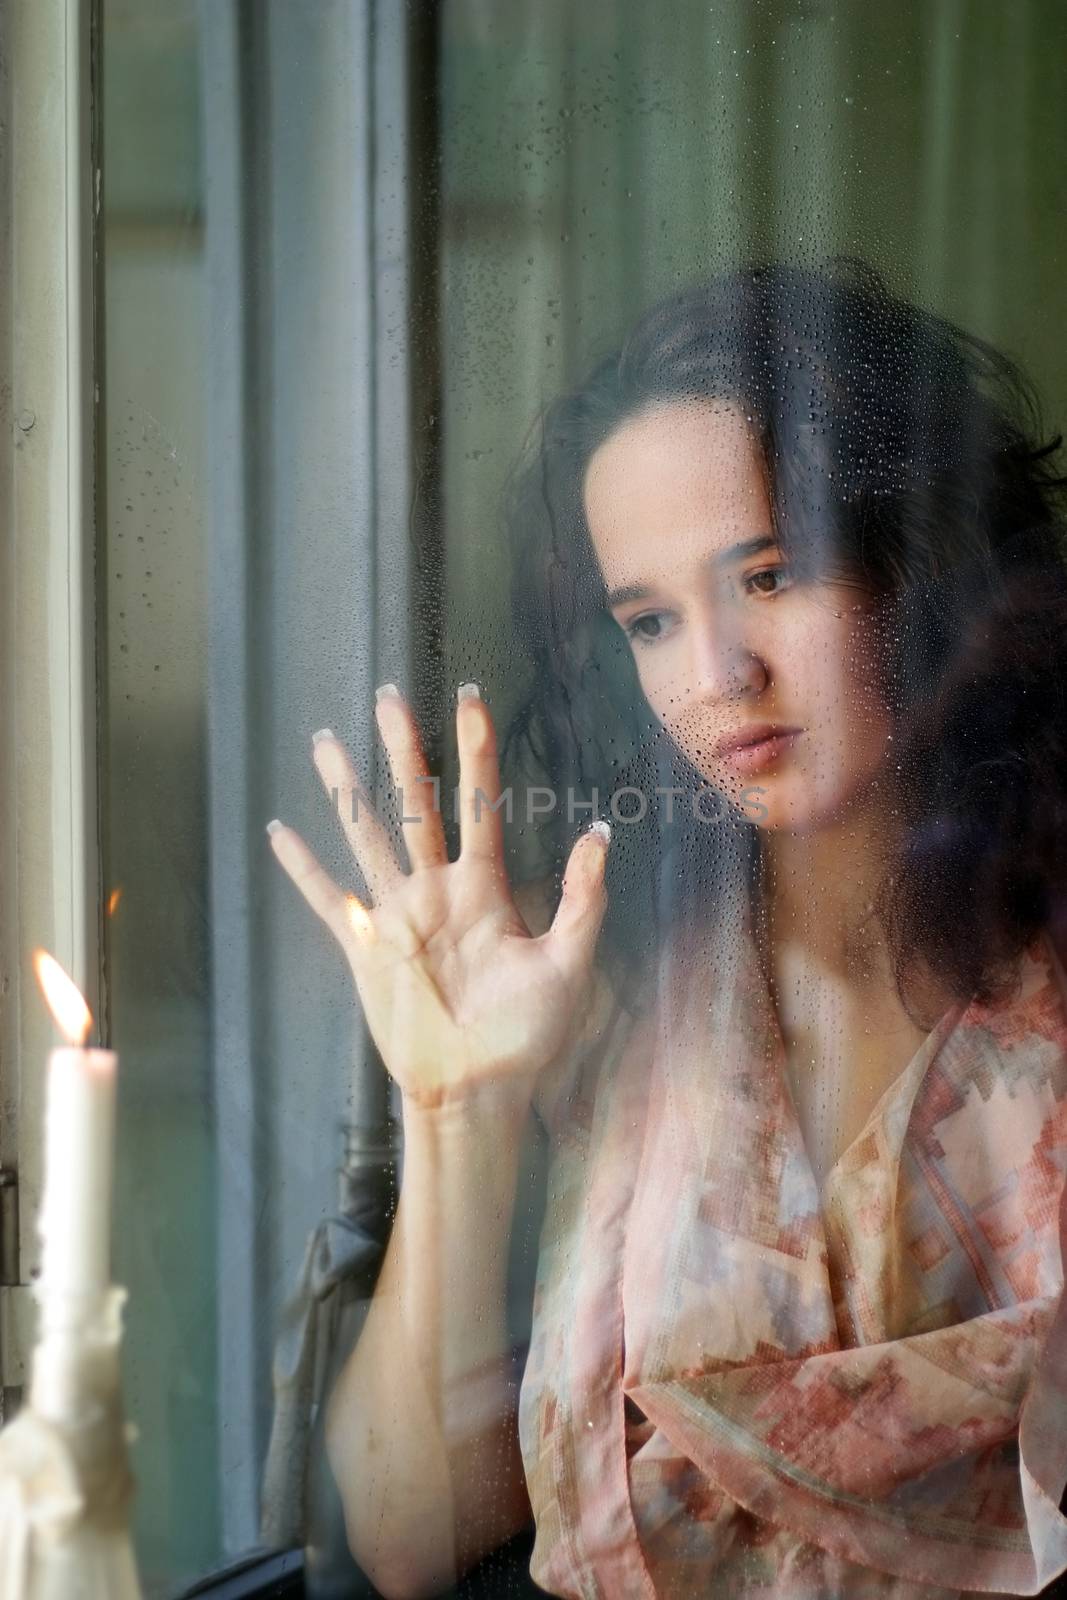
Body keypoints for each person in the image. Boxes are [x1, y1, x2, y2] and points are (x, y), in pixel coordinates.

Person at [267, 258, 1067, 1598]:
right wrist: (458, 1106)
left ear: (914, 563)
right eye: (649, 618)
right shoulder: (616, 991)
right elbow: (407, 1539)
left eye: (772, 574)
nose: (715, 676)